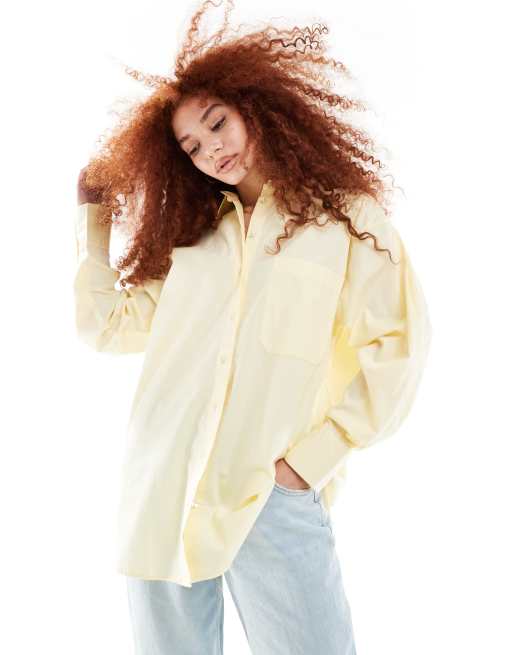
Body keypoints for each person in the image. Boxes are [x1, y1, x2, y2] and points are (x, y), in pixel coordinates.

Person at [74, 2, 432, 653]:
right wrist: (93, 223)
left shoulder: (343, 219)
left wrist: (306, 464)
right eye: (191, 145)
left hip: (267, 491)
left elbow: (398, 348)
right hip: (163, 489)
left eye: (217, 122)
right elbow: (107, 326)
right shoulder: (193, 239)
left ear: (257, 106)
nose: (212, 149)